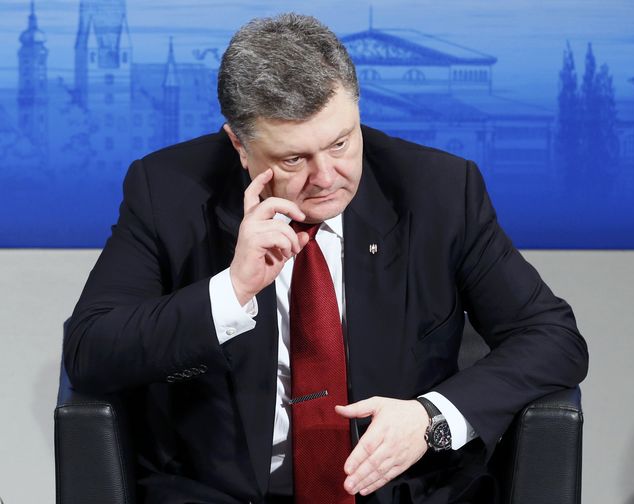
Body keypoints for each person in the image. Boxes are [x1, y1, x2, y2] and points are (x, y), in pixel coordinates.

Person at [65, 13, 588, 504]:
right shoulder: (168, 191)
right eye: (293, 158)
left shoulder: (439, 191)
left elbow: (553, 337)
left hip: (403, 493)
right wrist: (232, 289)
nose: (326, 176)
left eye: (341, 143)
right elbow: (90, 350)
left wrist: (430, 417)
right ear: (239, 147)